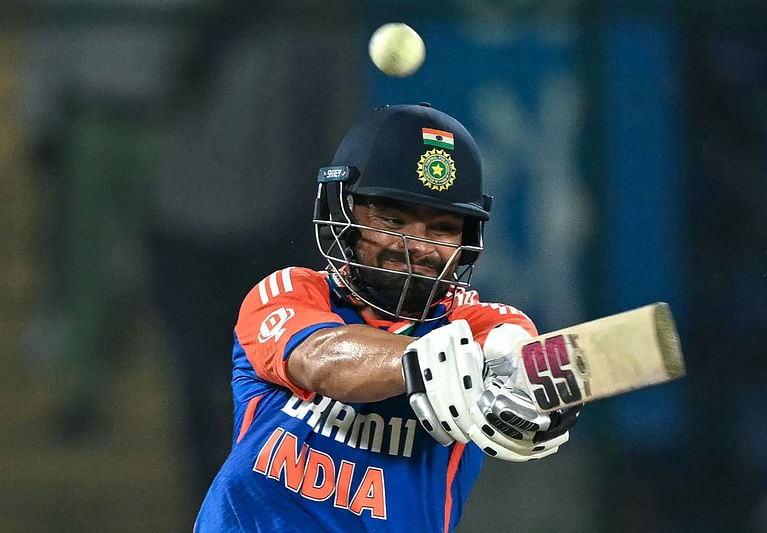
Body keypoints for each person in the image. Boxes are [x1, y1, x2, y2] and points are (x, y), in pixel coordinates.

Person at [194, 103, 580, 532]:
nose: (416, 246)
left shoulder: (474, 323)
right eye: (393, 219)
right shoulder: (291, 292)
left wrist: (533, 391)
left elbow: (513, 345)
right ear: (345, 215)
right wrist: (420, 361)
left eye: (442, 228)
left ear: (467, 241)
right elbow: (320, 357)